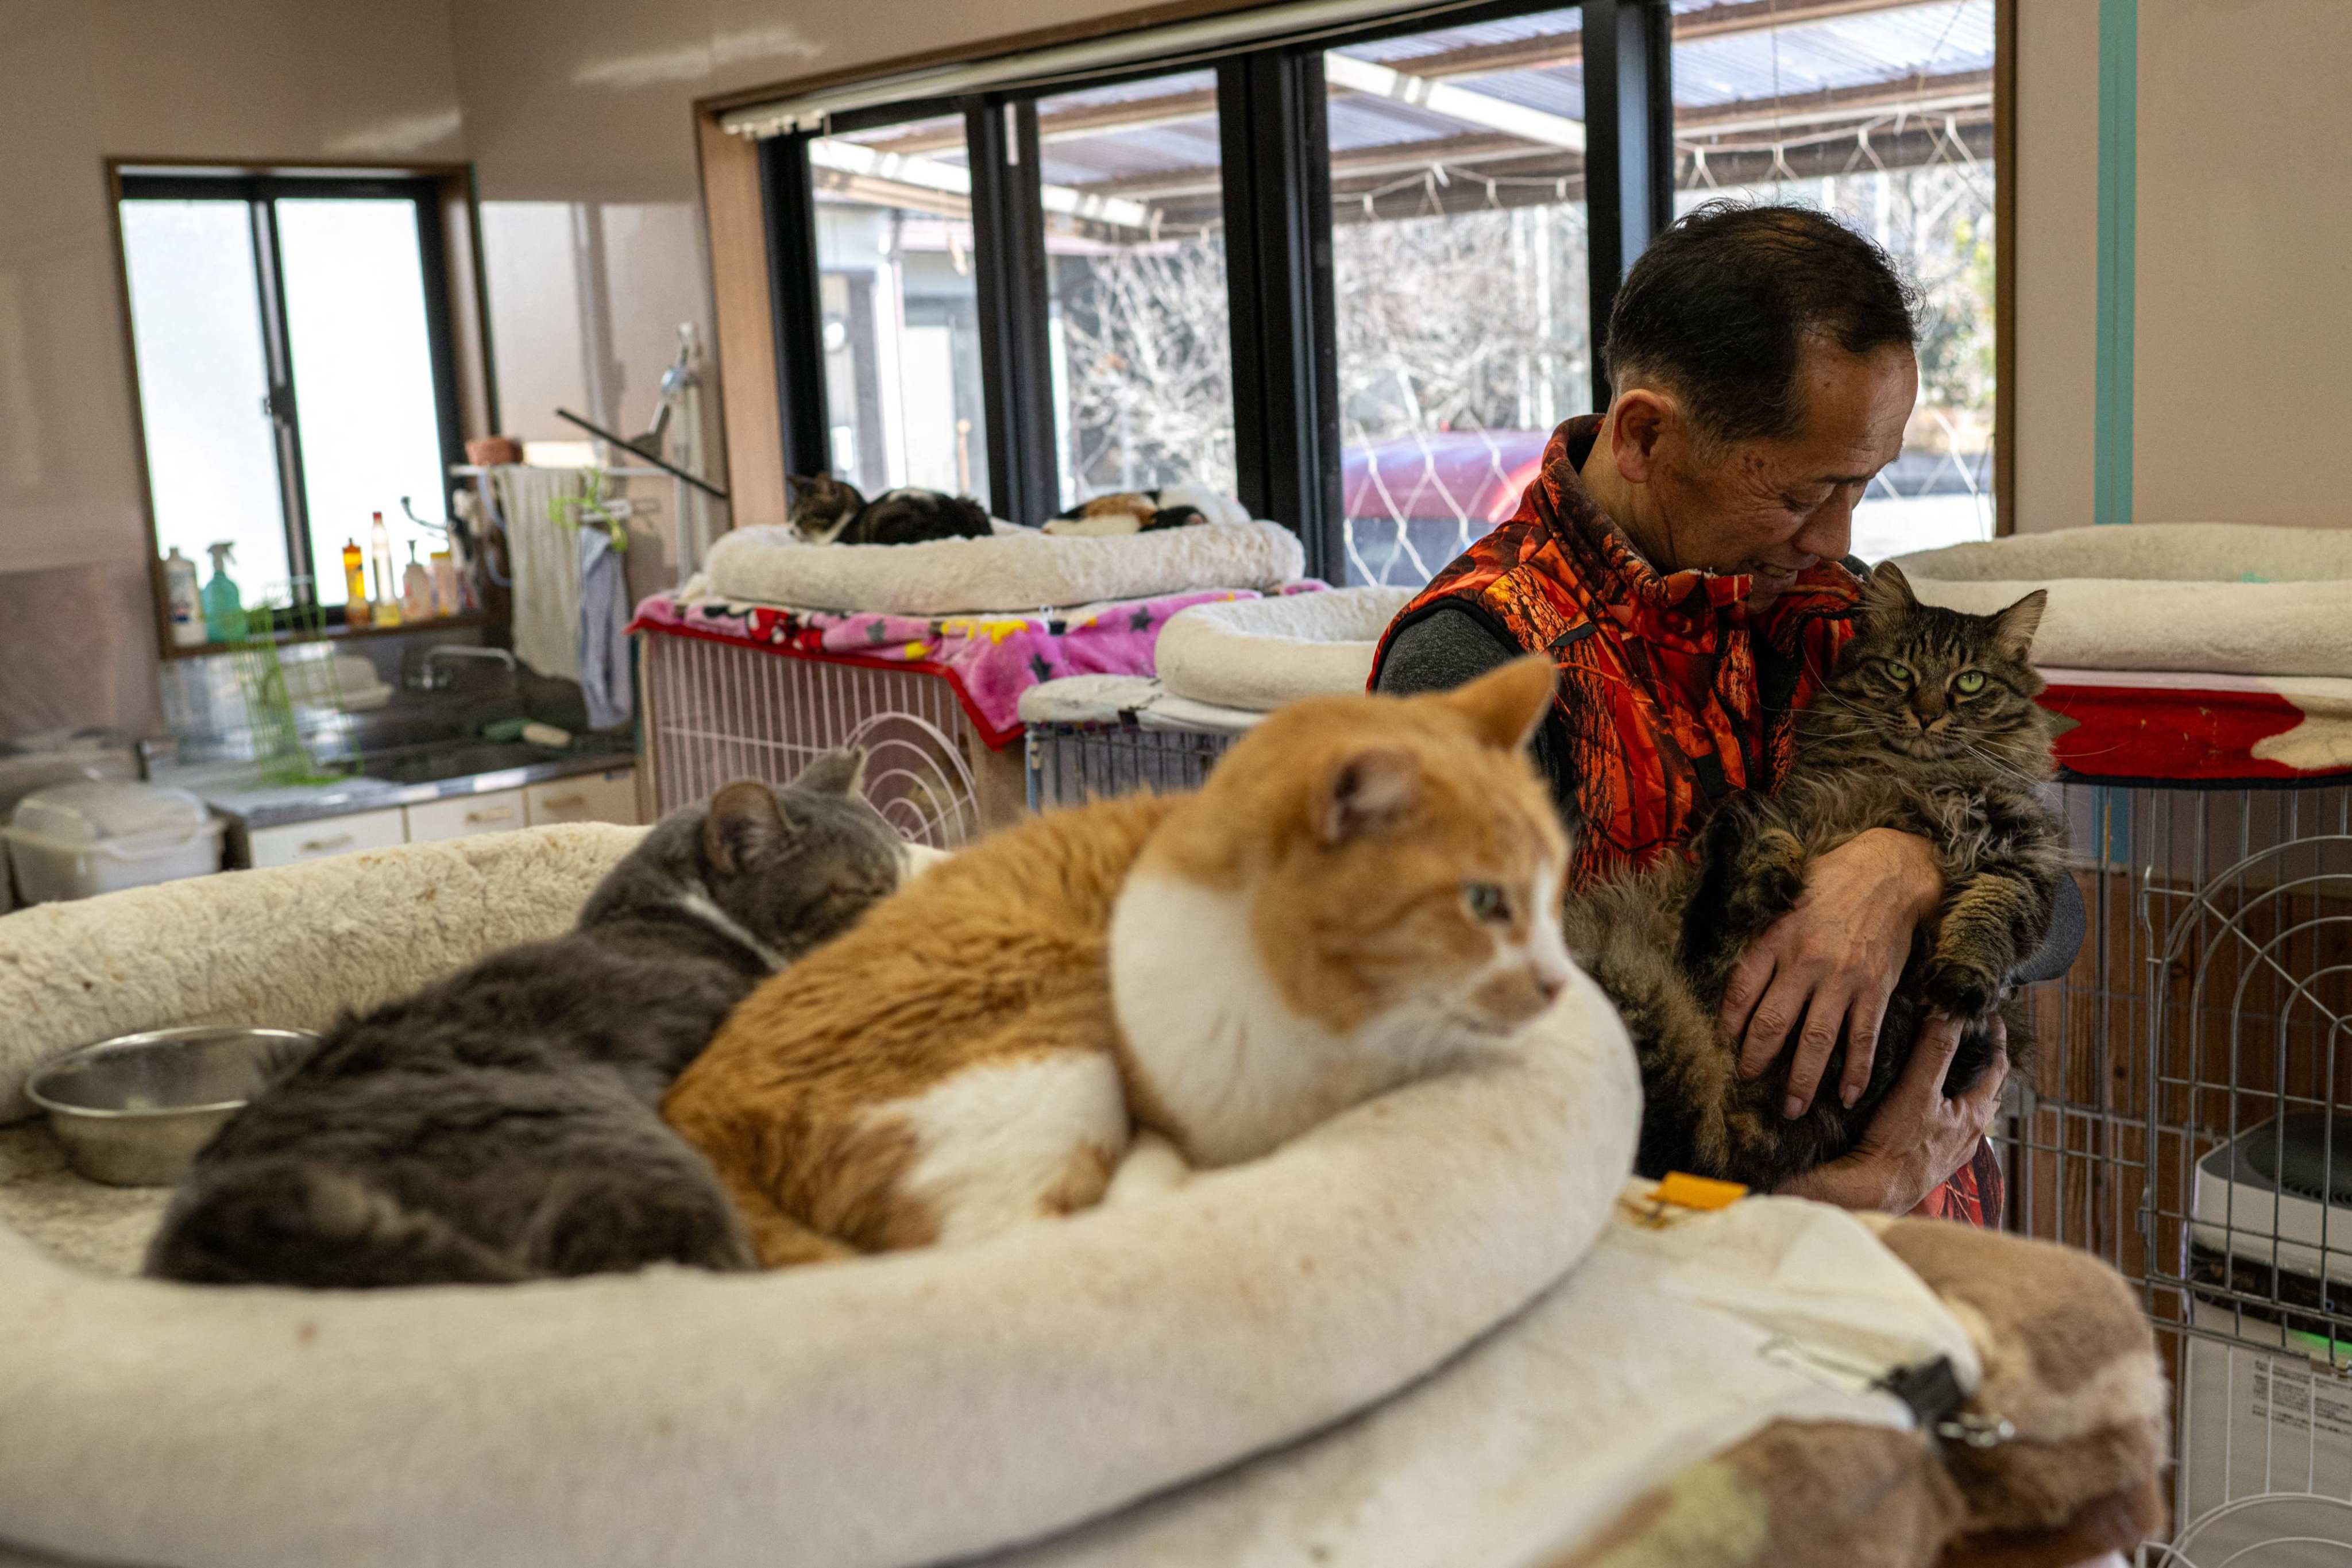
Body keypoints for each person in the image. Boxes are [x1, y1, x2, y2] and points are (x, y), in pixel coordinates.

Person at [1370, 201, 2080, 1223]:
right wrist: (1841, 1194)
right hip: (1675, 1284)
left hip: (1919, 1255)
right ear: (1648, 435)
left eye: (1862, 486)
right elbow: (1456, 1098)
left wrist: (1904, 872)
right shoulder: (1480, 664)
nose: (1837, 539)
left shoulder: (1837, 614)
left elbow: (2062, 915)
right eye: (1802, 494)